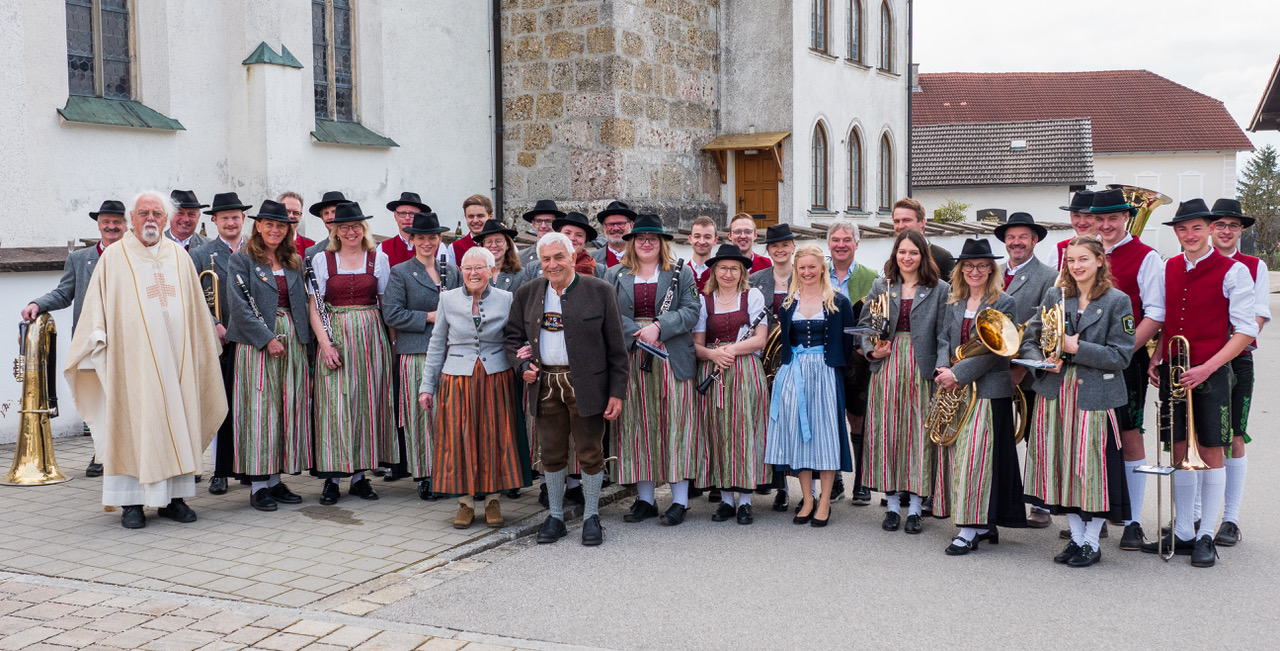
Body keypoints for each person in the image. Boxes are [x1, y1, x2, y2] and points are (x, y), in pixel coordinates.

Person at [65, 190, 226, 529]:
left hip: (176, 363)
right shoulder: (115, 257)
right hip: (130, 363)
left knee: (177, 421)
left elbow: (197, 312)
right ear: (132, 219)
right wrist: (95, 339)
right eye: (143, 213)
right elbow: (97, 306)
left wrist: (203, 346)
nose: (150, 219)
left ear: (165, 220)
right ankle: (131, 503)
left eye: (157, 213)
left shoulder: (179, 258)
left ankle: (174, 499)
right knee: (134, 425)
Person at [1142, 199, 1257, 568]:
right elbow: (1164, 318)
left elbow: (1245, 331)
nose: (1189, 235)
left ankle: (1207, 533)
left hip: (1212, 371)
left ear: (1209, 229)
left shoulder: (1233, 270)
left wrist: (1208, 368)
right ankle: (1186, 534)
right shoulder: (1167, 266)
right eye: (1182, 229)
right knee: (1178, 452)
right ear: (1176, 233)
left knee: (1210, 452)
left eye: (1196, 228)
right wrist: (1157, 354)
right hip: (1175, 368)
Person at [504, 233, 629, 546]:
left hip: (586, 384)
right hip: (545, 383)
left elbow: (617, 348)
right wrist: (522, 367)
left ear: (573, 257)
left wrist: (617, 392)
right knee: (551, 452)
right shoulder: (528, 293)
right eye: (546, 259)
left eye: (559, 257)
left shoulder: (600, 290)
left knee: (590, 452)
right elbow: (511, 339)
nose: (552, 264)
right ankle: (556, 515)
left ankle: (590, 516)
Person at [1020, 236, 1135, 566]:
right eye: (1071, 260)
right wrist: (1042, 358)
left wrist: (1075, 349)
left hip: (1093, 394)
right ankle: (1075, 537)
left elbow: (1121, 355)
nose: (1076, 266)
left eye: (1083, 259)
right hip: (1056, 392)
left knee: (1090, 469)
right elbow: (1031, 339)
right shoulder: (1056, 295)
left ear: (1100, 260)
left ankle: (1091, 543)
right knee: (1059, 464)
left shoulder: (1117, 301)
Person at [419, 247, 530, 529]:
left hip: (497, 377)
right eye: (467, 268)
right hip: (456, 378)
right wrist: (427, 386)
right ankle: (465, 503)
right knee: (460, 439)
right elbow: (436, 343)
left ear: (492, 271)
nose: (472, 273)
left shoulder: (506, 299)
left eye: (479, 268)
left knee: (496, 436)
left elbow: (516, 337)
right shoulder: (448, 298)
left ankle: (493, 500)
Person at [605, 214, 704, 526]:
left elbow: (692, 311)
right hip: (632, 357)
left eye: (653, 238)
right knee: (637, 427)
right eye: (640, 238)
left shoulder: (680, 272)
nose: (646, 243)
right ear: (632, 242)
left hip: (670, 356)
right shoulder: (614, 274)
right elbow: (607, 315)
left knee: (676, 425)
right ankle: (646, 499)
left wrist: (660, 326)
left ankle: (679, 501)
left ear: (662, 242)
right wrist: (638, 332)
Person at [933, 238, 1027, 555]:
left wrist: (958, 375)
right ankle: (984, 524)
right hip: (956, 390)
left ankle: (969, 530)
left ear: (992, 269)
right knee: (962, 458)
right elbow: (944, 340)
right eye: (970, 266)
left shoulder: (1004, 303)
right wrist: (942, 368)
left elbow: (993, 351)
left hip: (987, 391)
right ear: (961, 269)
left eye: (983, 266)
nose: (976, 271)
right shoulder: (954, 301)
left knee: (977, 460)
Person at [21, 199, 128, 478]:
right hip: (92, 342)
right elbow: (63, 293)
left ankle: (126, 453)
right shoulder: (80, 259)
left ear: (126, 225)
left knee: (126, 399)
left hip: (129, 340)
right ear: (99, 224)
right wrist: (38, 304)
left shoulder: (135, 256)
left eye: (117, 221)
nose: (112, 226)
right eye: (107, 221)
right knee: (98, 399)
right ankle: (100, 453)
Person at [1084, 187, 1165, 551]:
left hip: (1126, 360)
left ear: (1125, 219)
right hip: (1085, 360)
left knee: (1129, 434)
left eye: (1112, 218)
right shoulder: (1084, 254)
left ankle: (1132, 522)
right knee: (1089, 437)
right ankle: (1094, 513)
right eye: (1099, 219)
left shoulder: (1147, 257)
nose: (1106, 225)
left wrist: (1122, 353)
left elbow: (1156, 314)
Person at [307, 202, 397, 505]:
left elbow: (385, 304)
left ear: (364, 228)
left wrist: (392, 345)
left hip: (372, 338)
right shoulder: (322, 259)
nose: (351, 231)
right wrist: (325, 344)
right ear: (335, 230)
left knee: (366, 404)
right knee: (334, 406)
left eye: (356, 226)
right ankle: (332, 478)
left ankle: (360, 477)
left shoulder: (378, 258)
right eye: (344, 227)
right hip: (336, 335)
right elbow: (314, 308)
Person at [224, 200, 311, 512]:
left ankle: (275, 479)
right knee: (260, 412)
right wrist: (266, 338)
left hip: (293, 343)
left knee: (287, 410)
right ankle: (258, 485)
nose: (275, 230)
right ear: (257, 226)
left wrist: (306, 341)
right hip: (256, 345)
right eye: (269, 224)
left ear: (288, 229)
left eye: (281, 225)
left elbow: (302, 302)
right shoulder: (242, 259)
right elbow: (238, 307)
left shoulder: (293, 260)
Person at [860, 230, 948, 534]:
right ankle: (893, 504)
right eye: (902, 252)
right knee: (890, 432)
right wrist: (873, 348)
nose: (907, 258)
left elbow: (945, 335)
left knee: (919, 436)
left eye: (913, 252)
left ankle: (915, 506)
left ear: (923, 256)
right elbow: (863, 327)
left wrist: (941, 369)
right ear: (895, 255)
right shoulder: (881, 286)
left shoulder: (939, 289)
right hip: (888, 366)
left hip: (922, 370)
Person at [763, 244, 857, 527]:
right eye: (801, 267)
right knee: (799, 437)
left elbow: (847, 343)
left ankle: (825, 501)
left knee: (826, 436)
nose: (806, 272)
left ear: (822, 268)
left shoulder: (838, 302)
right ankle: (806, 498)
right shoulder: (788, 303)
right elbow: (785, 343)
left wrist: (835, 372)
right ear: (796, 270)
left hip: (826, 373)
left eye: (812, 267)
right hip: (794, 374)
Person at [382, 211, 461, 501]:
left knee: (451, 416)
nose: (427, 242)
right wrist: (429, 316)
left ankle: (450, 472)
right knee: (421, 416)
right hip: (416, 353)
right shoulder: (401, 271)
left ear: (439, 239)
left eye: (432, 237)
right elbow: (391, 313)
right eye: (421, 237)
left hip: (451, 353)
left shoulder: (452, 271)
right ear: (412, 239)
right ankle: (426, 475)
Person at [1206, 198, 1270, 546]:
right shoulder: (1196, 262)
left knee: (1234, 437)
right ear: (1211, 229)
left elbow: (1257, 317)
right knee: (1201, 436)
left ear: (1240, 230)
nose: (1226, 231)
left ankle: (1230, 519)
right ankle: (1198, 512)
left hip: (1237, 357)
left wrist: (1225, 346)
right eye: (1220, 225)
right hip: (1201, 358)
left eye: (1233, 225)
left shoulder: (1254, 265)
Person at [693, 244, 770, 524]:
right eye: (723, 268)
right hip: (713, 372)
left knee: (744, 431)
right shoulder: (705, 300)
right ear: (715, 270)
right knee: (717, 433)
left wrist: (728, 351)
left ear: (742, 272)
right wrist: (714, 354)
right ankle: (726, 500)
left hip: (745, 371)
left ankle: (746, 500)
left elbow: (759, 339)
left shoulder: (753, 296)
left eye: (734, 268)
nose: (728, 273)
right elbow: (697, 346)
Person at [994, 212, 1057, 528]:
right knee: (995, 436)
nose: (1016, 242)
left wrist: (1020, 367)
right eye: (1011, 237)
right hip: (990, 371)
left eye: (1023, 237)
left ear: (1035, 241)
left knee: (1035, 437)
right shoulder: (990, 272)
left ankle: (1040, 503)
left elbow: (1045, 326)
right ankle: (996, 497)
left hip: (1027, 375)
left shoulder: (1048, 276)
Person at [191, 192, 253, 497]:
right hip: (217, 339)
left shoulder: (257, 249)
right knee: (220, 404)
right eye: (224, 217)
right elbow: (195, 295)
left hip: (249, 339)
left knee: (247, 404)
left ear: (243, 219)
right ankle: (219, 471)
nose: (231, 222)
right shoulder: (202, 254)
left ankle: (246, 466)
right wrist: (213, 323)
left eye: (235, 217)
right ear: (214, 221)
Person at [827, 218, 879, 504]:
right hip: (825, 357)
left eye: (847, 240)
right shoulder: (815, 273)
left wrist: (866, 347)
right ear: (829, 244)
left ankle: (862, 481)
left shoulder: (872, 278)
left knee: (857, 418)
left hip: (859, 358)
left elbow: (880, 320)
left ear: (857, 244)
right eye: (836, 240)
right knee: (830, 417)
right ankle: (833, 481)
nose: (841, 245)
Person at [748, 223, 797, 511]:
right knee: (771, 421)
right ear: (768, 250)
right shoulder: (756, 279)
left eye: (785, 244)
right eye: (775, 245)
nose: (780, 249)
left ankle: (802, 482)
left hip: (795, 356)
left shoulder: (804, 274)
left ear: (792, 248)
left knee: (795, 419)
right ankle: (779, 485)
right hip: (764, 358)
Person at [891, 198, 955, 279]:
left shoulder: (943, 258)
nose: (900, 226)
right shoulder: (893, 260)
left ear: (922, 222)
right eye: (896, 221)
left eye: (906, 220)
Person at [477, 218, 530, 291]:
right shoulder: (475, 274)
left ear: (508, 245)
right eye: (488, 241)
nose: (493, 245)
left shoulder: (521, 275)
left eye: (498, 241)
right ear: (483, 245)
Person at [381, 192, 431, 267]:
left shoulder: (437, 247)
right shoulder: (383, 248)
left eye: (412, 214)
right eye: (402, 213)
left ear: (421, 216)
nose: (407, 218)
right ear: (395, 215)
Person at [554, 211, 607, 278]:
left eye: (579, 235)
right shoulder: (540, 266)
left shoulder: (601, 271)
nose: (572, 238)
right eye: (567, 233)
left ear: (585, 241)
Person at [445, 194, 494, 266]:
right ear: (465, 217)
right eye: (471, 216)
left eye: (480, 216)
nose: (475, 220)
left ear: (490, 217)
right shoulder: (454, 248)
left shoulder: (501, 246)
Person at [1056, 190, 1096, 268]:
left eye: (1089, 216)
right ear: (1070, 216)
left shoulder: (1110, 248)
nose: (1082, 222)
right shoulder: (1059, 250)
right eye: (1076, 216)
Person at [520, 199, 564, 268]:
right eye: (539, 221)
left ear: (556, 223)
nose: (543, 226)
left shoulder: (566, 254)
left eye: (548, 221)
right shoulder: (521, 258)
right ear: (533, 223)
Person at [304, 191, 349, 258]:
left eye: (334, 212)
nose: (330, 217)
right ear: (322, 218)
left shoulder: (362, 247)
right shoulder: (313, 253)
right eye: (326, 213)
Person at [592, 201, 637, 268]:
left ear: (631, 225)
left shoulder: (642, 257)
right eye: (610, 224)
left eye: (620, 223)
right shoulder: (590, 259)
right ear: (604, 226)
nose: (615, 228)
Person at [688, 216, 719, 292]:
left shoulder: (720, 274)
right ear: (690, 239)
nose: (701, 242)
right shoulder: (680, 272)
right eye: (697, 236)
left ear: (715, 240)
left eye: (707, 237)